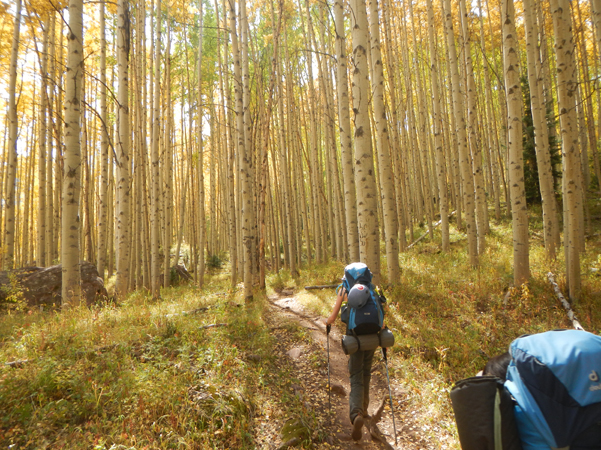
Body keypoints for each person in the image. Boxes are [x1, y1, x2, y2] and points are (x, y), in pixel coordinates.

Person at [326, 285, 375, 441]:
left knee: (356, 376)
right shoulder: (371, 289)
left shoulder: (345, 289)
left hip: (355, 339)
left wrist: (328, 322)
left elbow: (333, 317)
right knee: (366, 372)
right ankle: (365, 409)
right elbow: (381, 314)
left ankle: (356, 414)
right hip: (373, 337)